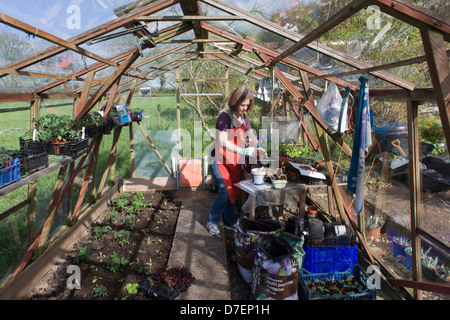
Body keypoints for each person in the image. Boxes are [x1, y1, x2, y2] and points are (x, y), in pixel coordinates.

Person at [206, 87, 259, 235]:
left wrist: (259, 147)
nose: (245, 108)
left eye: (247, 105)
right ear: (235, 102)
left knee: (233, 191)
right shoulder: (224, 117)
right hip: (219, 159)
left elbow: (251, 135)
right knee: (224, 190)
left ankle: (229, 222)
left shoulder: (244, 118)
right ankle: (212, 221)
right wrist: (243, 151)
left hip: (234, 161)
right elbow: (222, 141)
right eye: (243, 105)